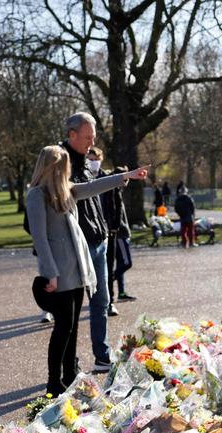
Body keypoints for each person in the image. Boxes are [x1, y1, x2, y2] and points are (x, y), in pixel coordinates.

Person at [26, 145, 146, 396]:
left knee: (71, 328)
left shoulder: (66, 191)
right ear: (53, 168)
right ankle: (53, 381)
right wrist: (50, 273)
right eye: (63, 167)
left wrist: (126, 176)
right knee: (62, 328)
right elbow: (39, 238)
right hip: (58, 274)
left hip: (77, 271)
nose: (67, 171)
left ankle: (69, 374)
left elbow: (95, 187)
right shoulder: (37, 195)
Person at [61, 112, 117, 373]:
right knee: (70, 311)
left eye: (93, 136)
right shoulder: (60, 162)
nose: (91, 142)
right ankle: (67, 363)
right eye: (87, 137)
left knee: (101, 301)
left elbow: (95, 195)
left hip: (98, 240)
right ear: (71, 134)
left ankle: (102, 355)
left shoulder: (86, 160)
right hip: (76, 246)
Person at [89, 146, 136, 310]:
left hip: (108, 231)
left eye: (96, 159)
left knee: (107, 268)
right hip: (89, 231)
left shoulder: (107, 178)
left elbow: (116, 204)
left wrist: (114, 226)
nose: (93, 163)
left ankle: (109, 302)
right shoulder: (83, 177)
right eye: (90, 159)